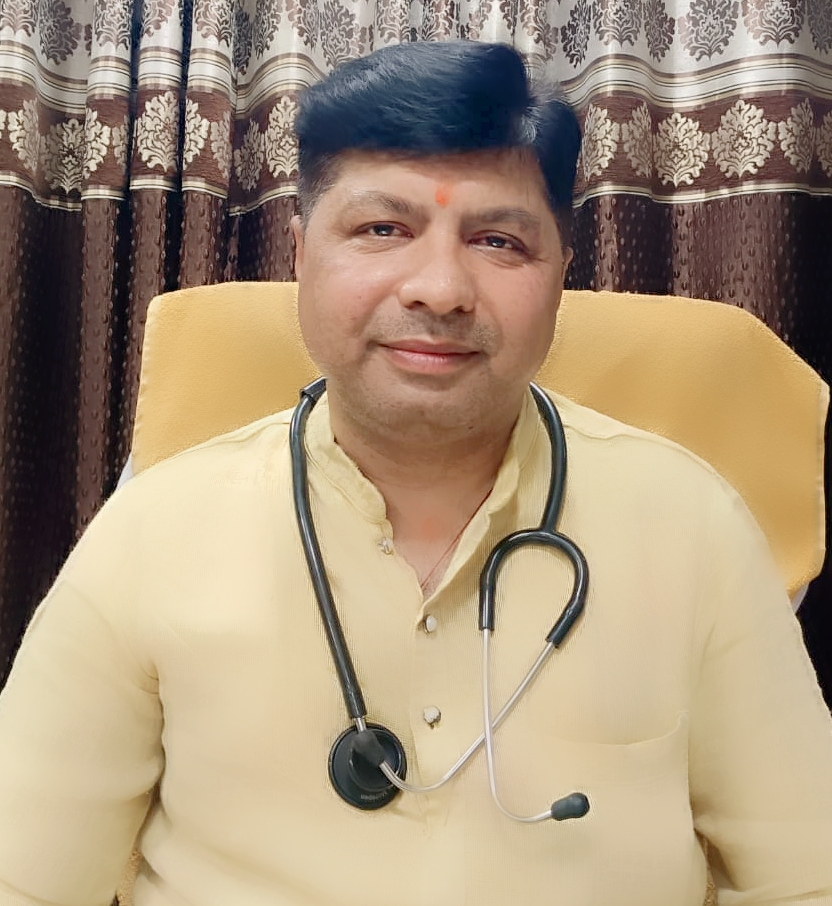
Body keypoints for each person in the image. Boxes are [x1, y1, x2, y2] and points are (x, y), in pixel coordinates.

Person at [1, 40, 831, 906]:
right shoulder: (152, 533)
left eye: (498, 240)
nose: (439, 288)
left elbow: (807, 879)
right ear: (300, 255)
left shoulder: (691, 524)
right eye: (382, 230)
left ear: (561, 276)